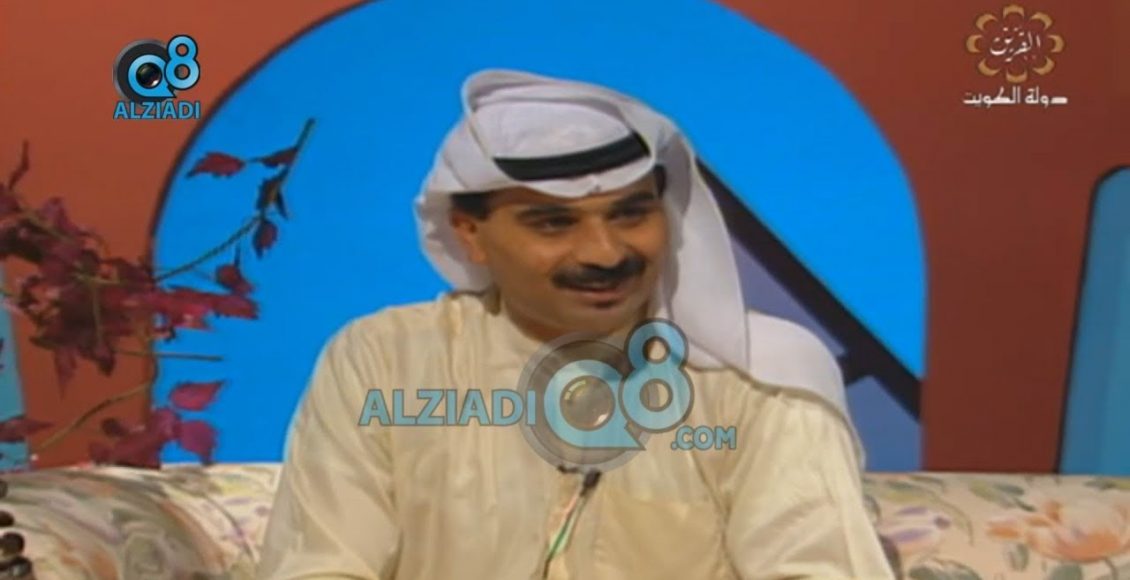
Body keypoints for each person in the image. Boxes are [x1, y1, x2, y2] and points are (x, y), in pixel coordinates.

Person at [256, 69, 895, 579]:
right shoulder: (385, 359)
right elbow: (322, 565)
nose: (606, 253)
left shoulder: (760, 374)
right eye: (553, 223)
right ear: (470, 234)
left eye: (630, 214)